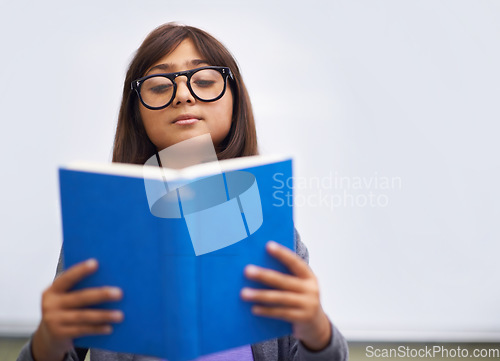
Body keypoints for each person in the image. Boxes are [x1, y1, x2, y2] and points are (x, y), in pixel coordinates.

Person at [17, 23, 349, 361]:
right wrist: (48, 339)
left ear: (235, 100)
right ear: (137, 111)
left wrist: (317, 330)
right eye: (160, 86)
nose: (183, 95)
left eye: (204, 81)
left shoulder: (272, 228)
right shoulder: (100, 229)